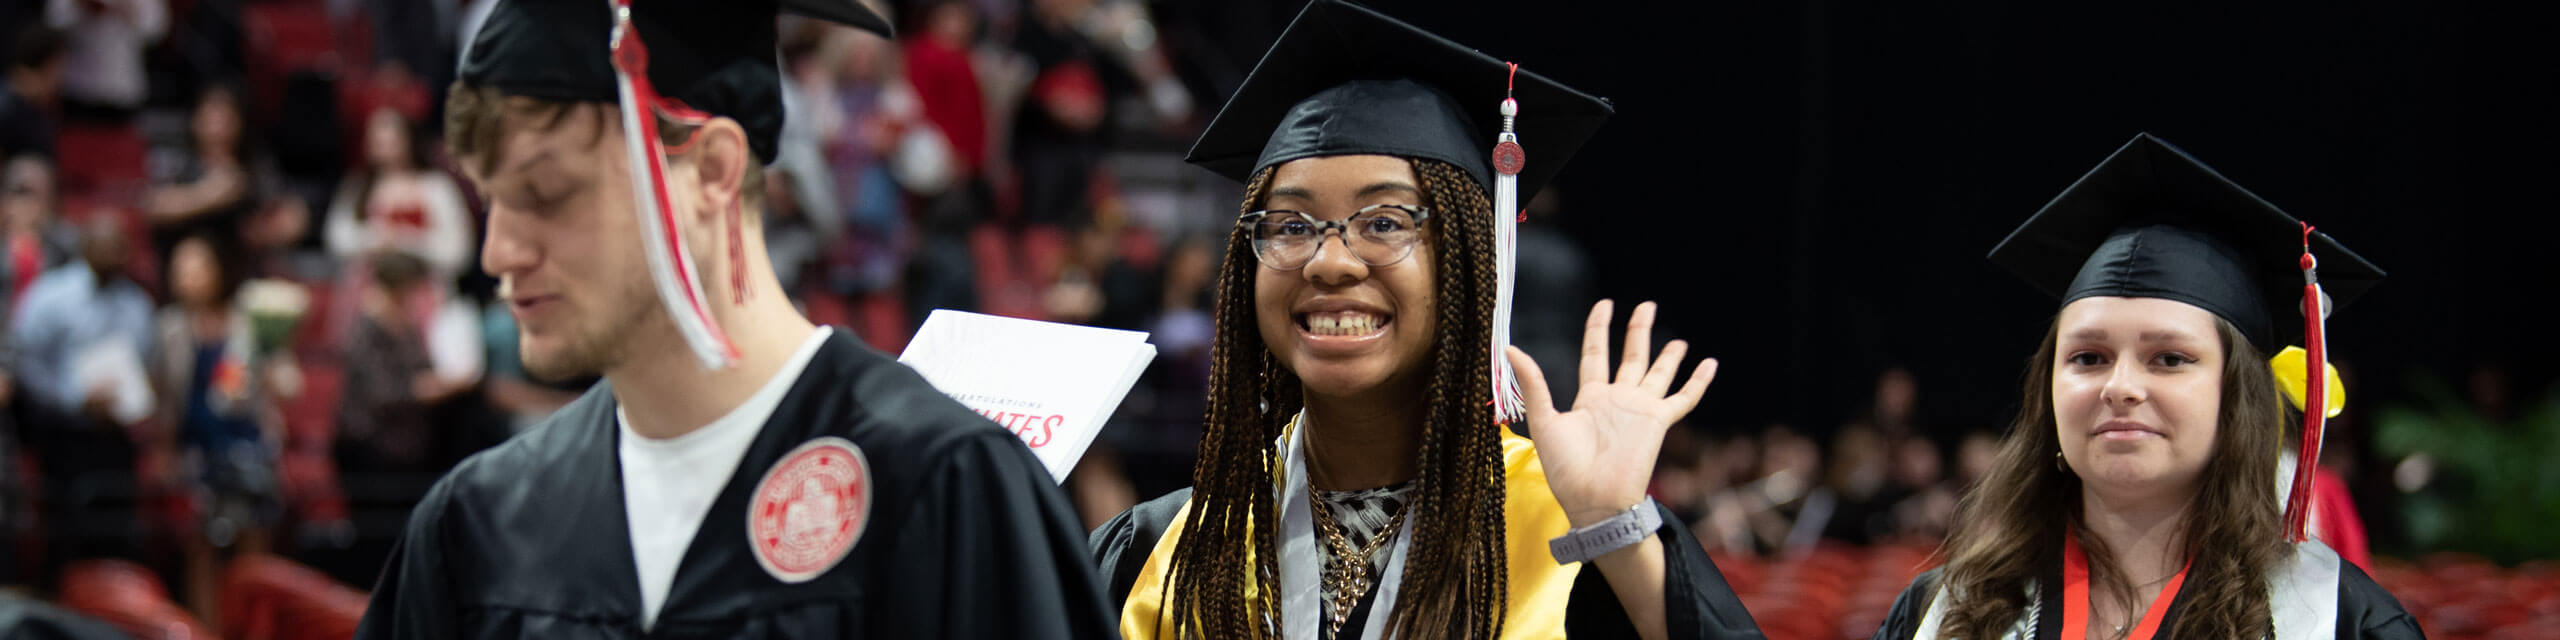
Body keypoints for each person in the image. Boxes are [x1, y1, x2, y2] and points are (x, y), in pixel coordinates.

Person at [351, 0, 1110, 637]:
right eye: (490, 199)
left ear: (711, 171)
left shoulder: (940, 490)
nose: (499, 251)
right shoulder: (479, 524)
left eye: (548, 194)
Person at [1087, 2, 1762, 638]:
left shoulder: (1578, 528)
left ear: (1471, 262)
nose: (1328, 261)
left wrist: (1612, 525)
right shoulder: (1166, 546)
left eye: (1384, 222)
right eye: (1289, 224)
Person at [1870, 134, 2418, 639]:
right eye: (2088, 357)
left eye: (2169, 359)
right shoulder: (1944, 613)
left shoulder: (2337, 619)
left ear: (2237, 399)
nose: (2121, 386)